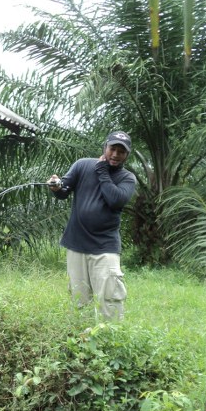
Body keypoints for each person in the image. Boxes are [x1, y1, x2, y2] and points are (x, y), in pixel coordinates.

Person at [47, 131, 137, 320]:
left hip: (105, 248)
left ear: (127, 155)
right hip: (76, 245)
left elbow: (115, 199)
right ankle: (82, 342)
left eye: (121, 151)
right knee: (79, 300)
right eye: (113, 148)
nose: (115, 154)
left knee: (109, 300)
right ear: (105, 146)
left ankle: (109, 341)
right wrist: (56, 186)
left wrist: (102, 170)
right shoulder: (82, 165)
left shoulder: (127, 178)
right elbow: (63, 190)